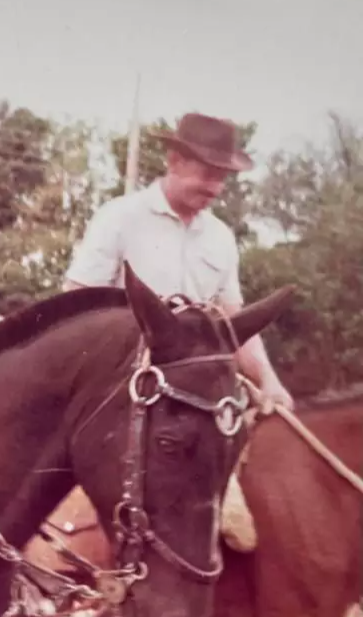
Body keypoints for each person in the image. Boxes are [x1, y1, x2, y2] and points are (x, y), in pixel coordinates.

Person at [61, 112, 293, 552]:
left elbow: (234, 325)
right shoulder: (120, 218)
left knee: (242, 509)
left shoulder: (220, 238)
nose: (215, 188)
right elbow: (74, 305)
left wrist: (270, 381)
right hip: (125, 385)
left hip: (198, 396)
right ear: (174, 161)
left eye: (222, 178)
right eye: (207, 174)